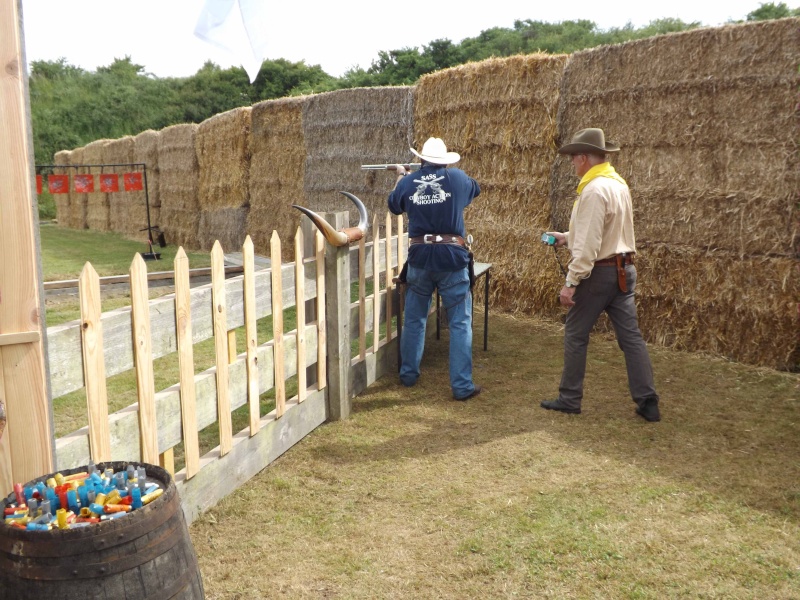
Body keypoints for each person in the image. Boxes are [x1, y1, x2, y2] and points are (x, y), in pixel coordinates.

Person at [541, 128, 660, 422]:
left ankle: (569, 398)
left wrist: (571, 282)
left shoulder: (593, 190)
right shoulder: (617, 184)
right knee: (631, 337)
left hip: (598, 274)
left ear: (583, 158)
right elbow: (604, 231)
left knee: (576, 334)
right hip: (624, 270)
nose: (571, 163)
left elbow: (590, 246)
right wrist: (567, 236)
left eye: (573, 158)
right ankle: (648, 401)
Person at [388, 137, 482, 401]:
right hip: (451, 257)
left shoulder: (408, 182)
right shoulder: (458, 178)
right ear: (445, 161)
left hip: (420, 257)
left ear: (421, 159)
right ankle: (462, 387)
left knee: (415, 319)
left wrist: (402, 177)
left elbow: (394, 205)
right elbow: (475, 189)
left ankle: (408, 375)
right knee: (461, 323)